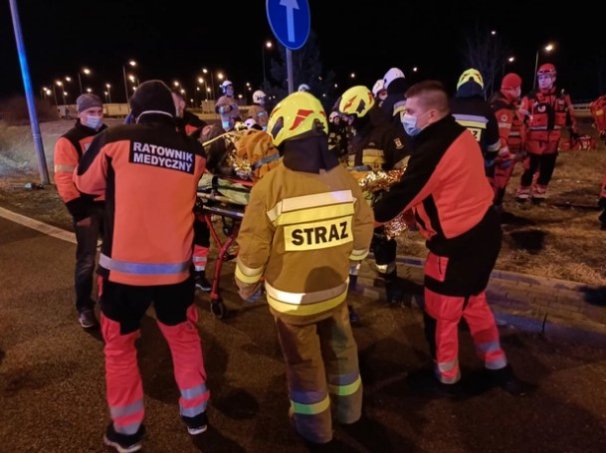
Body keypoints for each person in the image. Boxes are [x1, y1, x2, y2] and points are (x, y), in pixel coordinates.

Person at [74, 80, 210, 452]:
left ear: (134, 111)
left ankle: (128, 431)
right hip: (175, 273)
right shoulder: (194, 151)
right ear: (173, 112)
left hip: (122, 274)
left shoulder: (114, 138)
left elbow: (84, 183)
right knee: (184, 340)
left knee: (120, 350)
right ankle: (196, 414)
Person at [234, 91, 374, 446]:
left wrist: (246, 286)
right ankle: (351, 411)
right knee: (343, 351)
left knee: (304, 365)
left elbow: (253, 247)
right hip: (336, 292)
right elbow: (363, 226)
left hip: (293, 304)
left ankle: (316, 429)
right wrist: (353, 262)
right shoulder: (344, 179)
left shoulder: (270, 187)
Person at [373, 81, 525, 396]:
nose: (405, 117)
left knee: (441, 315)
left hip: (455, 247)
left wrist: (363, 220)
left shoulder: (434, 149)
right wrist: (406, 215)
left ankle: (446, 378)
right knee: (474, 303)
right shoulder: (458, 135)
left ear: (431, 114)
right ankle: (498, 367)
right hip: (484, 235)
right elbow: (437, 190)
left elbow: (400, 198)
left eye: (410, 111)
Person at [338, 85, 411, 307]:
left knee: (385, 251)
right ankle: (346, 300)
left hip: (384, 206)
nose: (348, 122)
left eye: (350, 117)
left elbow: (406, 171)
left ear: (363, 111)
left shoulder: (389, 133)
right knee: (351, 252)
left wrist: (376, 180)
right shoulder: (355, 137)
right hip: (358, 208)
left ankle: (392, 286)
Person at [53, 93, 107, 329]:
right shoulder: (68, 141)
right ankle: (84, 307)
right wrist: (79, 213)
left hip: (110, 205)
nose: (97, 116)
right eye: (91, 112)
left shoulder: (108, 135)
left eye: (100, 112)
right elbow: (64, 179)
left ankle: (110, 300)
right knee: (86, 260)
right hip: (86, 208)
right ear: (80, 113)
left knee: (112, 258)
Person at [516, 63, 578, 202]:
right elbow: (520, 119)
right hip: (533, 143)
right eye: (541, 78)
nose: (543, 80)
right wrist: (521, 140)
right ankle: (523, 193)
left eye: (546, 77)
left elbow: (570, 116)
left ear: (553, 78)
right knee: (529, 169)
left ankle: (539, 193)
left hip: (552, 143)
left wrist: (573, 132)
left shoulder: (562, 97)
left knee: (547, 170)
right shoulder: (530, 98)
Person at [450, 68, 501, 186]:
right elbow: (494, 146)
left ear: (459, 85)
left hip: (448, 168)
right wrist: (488, 160)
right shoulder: (487, 110)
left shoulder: (448, 107)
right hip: (473, 169)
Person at [489, 73, 527, 208]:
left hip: (500, 158)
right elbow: (501, 139)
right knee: (497, 186)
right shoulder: (504, 109)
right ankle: (494, 211)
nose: (520, 91)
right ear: (512, 89)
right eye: (519, 88)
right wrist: (509, 157)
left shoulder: (501, 104)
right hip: (502, 160)